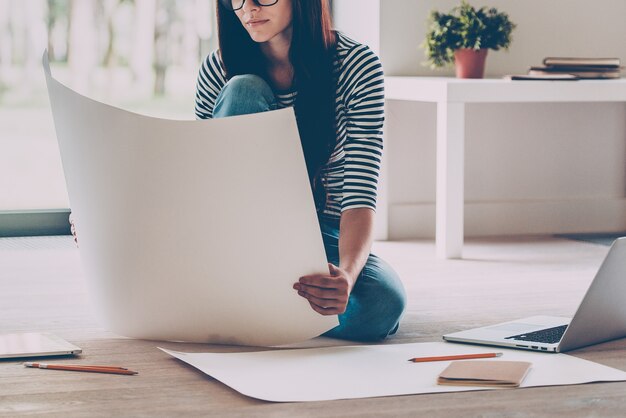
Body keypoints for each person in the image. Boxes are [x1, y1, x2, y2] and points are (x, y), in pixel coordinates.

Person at [194, 0, 406, 342]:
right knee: (243, 89)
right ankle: (262, 297)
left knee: (382, 303)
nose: (248, 8)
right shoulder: (219, 67)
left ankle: (251, 299)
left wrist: (346, 278)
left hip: (320, 232)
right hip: (238, 232)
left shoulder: (356, 67)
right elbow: (198, 178)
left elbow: (359, 195)